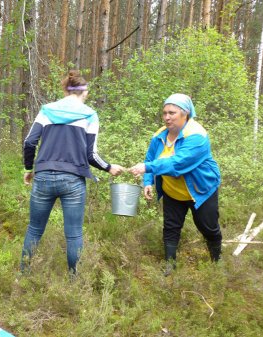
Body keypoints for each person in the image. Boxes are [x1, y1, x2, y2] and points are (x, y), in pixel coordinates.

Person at [21, 70, 125, 274]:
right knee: (74, 233)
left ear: (66, 91)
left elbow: (29, 142)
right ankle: (74, 280)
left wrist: (28, 168)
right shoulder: (89, 114)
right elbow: (91, 154)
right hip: (73, 180)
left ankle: (23, 274)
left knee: (34, 229)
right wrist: (109, 167)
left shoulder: (46, 110)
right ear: (83, 91)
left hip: (42, 176)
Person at [129, 94, 222, 276]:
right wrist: (148, 181)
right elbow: (150, 158)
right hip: (173, 192)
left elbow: (178, 164)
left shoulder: (197, 136)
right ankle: (170, 266)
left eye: (172, 113)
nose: (167, 117)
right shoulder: (159, 136)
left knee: (208, 228)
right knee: (170, 228)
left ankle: (217, 262)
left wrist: (147, 167)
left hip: (200, 190)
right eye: (164, 113)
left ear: (185, 113)